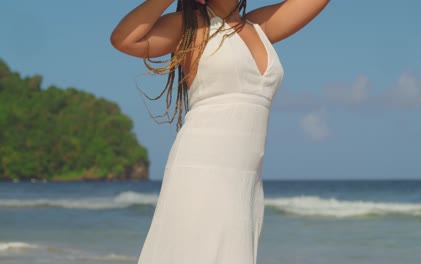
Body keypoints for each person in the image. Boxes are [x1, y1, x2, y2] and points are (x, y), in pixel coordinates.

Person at [110, 0, 330, 263]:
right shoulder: (190, 26)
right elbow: (124, 40)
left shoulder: (260, 26)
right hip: (200, 170)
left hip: (245, 182)